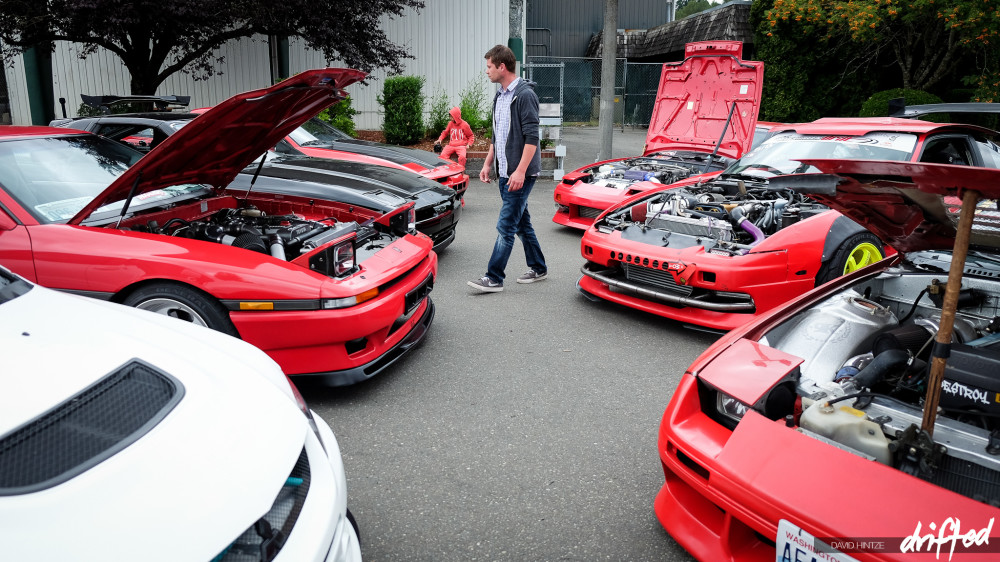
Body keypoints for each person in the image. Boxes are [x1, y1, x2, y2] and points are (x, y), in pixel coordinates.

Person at [468, 44, 548, 294]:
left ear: (502, 67)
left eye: (489, 66)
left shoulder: (524, 95)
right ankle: (539, 267)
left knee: (505, 227)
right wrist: (488, 162)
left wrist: (521, 172)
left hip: (519, 174)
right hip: (505, 172)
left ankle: (494, 277)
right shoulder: (500, 96)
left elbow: (532, 138)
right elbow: (497, 134)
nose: (486, 71)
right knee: (521, 224)